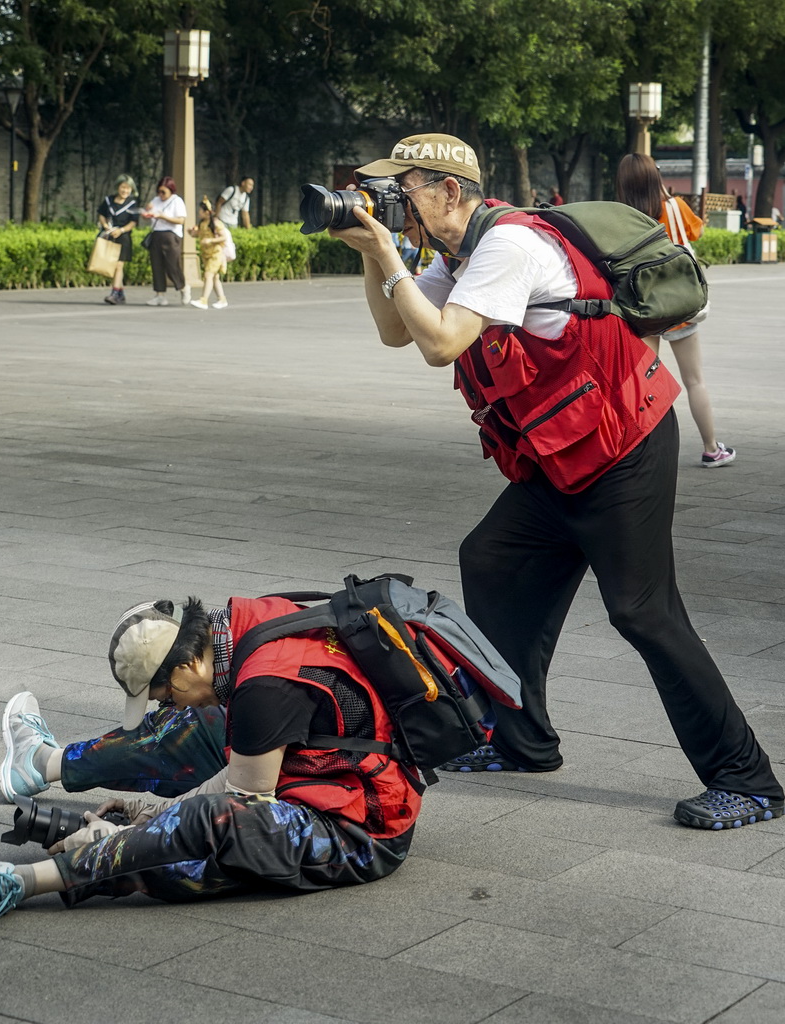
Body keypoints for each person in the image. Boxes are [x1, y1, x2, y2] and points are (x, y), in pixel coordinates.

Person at [329, 132, 783, 831]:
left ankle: (746, 779)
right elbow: (400, 333)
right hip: (564, 455)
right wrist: (373, 258)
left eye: (403, 189)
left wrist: (389, 255)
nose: (393, 204)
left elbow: (442, 342)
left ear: (450, 191)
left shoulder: (505, 245)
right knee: (492, 558)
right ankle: (522, 741)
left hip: (621, 448)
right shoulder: (462, 252)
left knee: (641, 610)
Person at [0, 594, 422, 927]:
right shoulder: (239, 634)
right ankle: (45, 763)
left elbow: (242, 803)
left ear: (186, 664)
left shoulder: (263, 686)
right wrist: (150, 814)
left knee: (206, 823)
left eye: (164, 694)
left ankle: (17, 884)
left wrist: (132, 834)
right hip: (318, 775)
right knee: (194, 731)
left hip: (359, 833)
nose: (166, 704)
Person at [616, 154, 735, 467]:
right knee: (695, 380)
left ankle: (633, 449)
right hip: (679, 304)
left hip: (643, 307)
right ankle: (712, 448)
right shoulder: (675, 206)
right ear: (656, 177)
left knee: (641, 381)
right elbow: (695, 234)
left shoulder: (622, 215)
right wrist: (669, 201)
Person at [140, 176, 189, 306]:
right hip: (156, 234)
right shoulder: (155, 200)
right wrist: (147, 212)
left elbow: (181, 220)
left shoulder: (176, 201)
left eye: (164, 192)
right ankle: (160, 294)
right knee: (157, 265)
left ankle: (183, 288)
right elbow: (149, 217)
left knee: (172, 265)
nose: (160, 195)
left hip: (170, 235)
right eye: (159, 191)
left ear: (171, 190)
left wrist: (163, 216)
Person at [96, 174, 139, 305]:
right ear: (118, 187)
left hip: (123, 237)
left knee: (118, 265)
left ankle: (114, 293)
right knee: (113, 266)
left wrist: (121, 230)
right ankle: (121, 294)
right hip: (109, 235)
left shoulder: (132, 204)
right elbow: (101, 215)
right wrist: (105, 227)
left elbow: (133, 222)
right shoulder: (108, 200)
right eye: (123, 187)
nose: (125, 191)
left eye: (128, 188)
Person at [188, 197, 229, 310]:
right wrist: (192, 233)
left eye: (200, 211)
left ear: (207, 212)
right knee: (215, 277)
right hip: (206, 254)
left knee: (208, 275)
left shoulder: (215, 223)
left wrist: (210, 240)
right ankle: (222, 299)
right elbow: (199, 235)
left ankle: (203, 300)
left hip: (216, 253)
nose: (199, 213)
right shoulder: (203, 223)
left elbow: (223, 237)